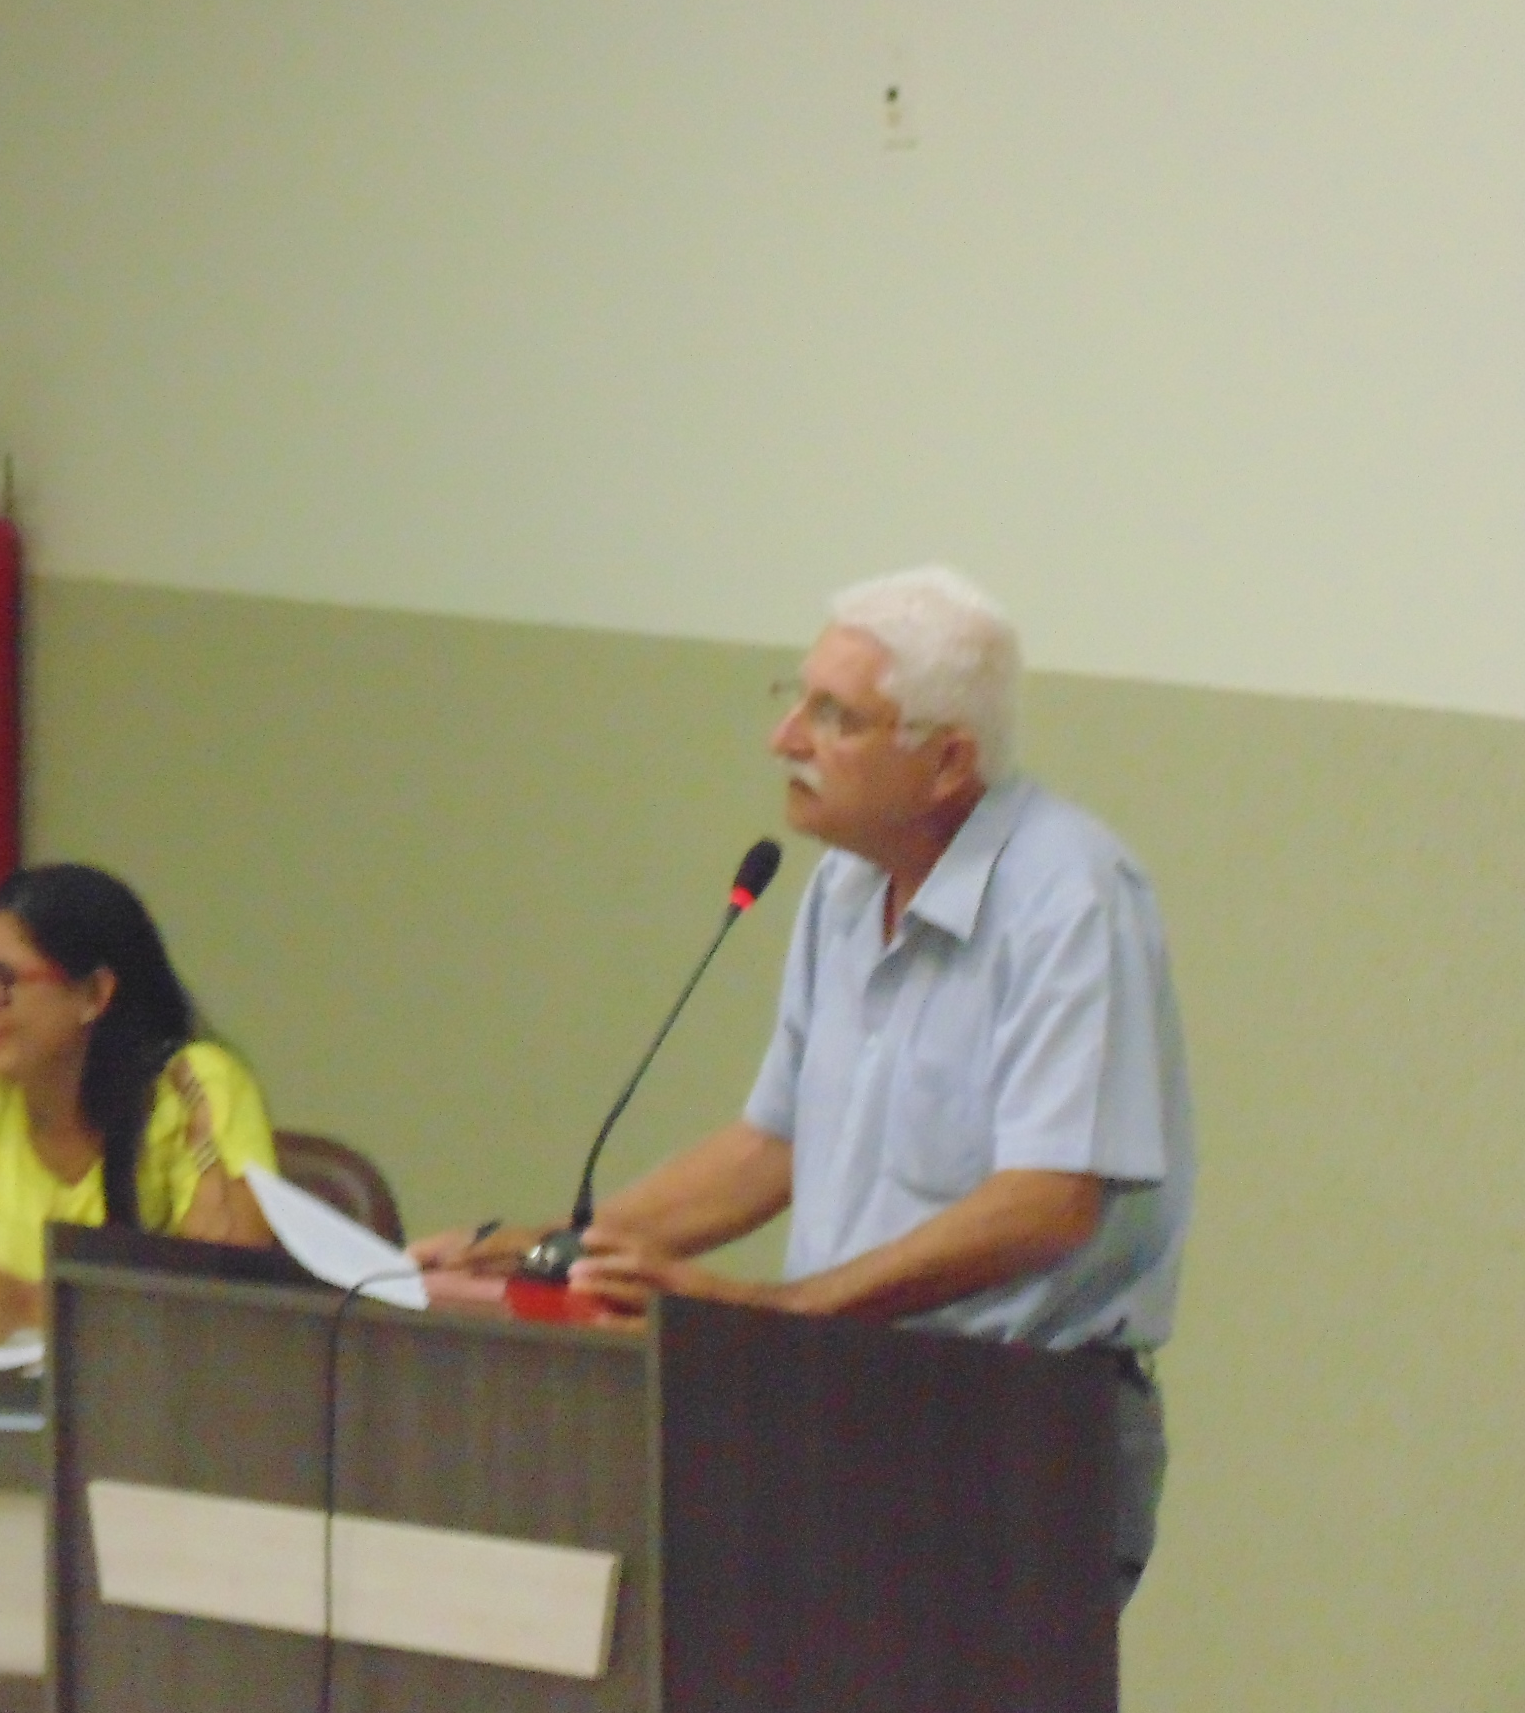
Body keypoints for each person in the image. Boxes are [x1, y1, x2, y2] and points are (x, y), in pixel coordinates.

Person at [414, 565, 1194, 1605]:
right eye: (797, 700)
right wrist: (560, 1250)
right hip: (837, 1403)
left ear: (946, 760)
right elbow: (774, 1146)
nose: (784, 739)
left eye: (835, 716)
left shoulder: (1071, 896)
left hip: (1010, 1436)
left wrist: (781, 1312)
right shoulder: (845, 886)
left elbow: (1048, 1202)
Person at [0, 863, 279, 1344]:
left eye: (2, 979)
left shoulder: (192, 1084)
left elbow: (228, 1292)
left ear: (94, 994)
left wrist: (36, 1308)